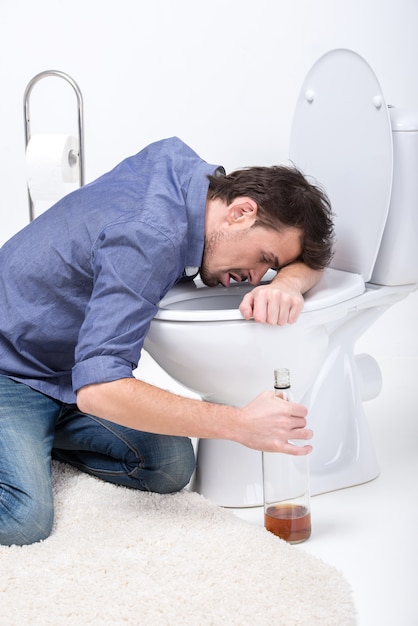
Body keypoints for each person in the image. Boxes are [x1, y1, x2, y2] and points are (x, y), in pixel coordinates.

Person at [0, 137, 333, 546]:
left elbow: (315, 263)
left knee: (168, 464)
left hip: (63, 369)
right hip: (10, 367)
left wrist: (288, 283)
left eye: (270, 267)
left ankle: (32, 440)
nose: (255, 276)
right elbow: (100, 389)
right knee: (24, 518)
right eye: (264, 258)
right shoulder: (149, 237)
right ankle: (22, 440)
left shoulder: (186, 174)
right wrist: (240, 424)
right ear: (242, 212)